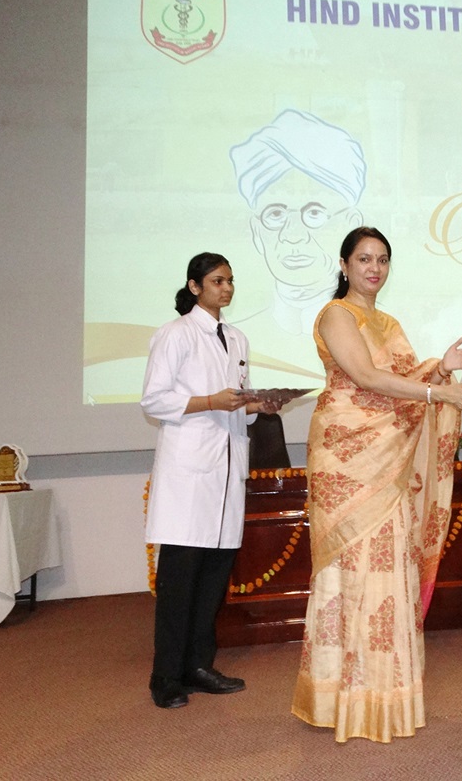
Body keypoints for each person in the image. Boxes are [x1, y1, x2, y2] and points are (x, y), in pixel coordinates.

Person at [291, 226, 462, 743]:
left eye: (382, 259)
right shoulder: (337, 314)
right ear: (344, 265)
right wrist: (439, 392)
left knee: (389, 566)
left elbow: (403, 382)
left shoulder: (390, 323)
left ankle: (381, 694)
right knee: (350, 571)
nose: (374, 268)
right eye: (364, 259)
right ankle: (339, 697)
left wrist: (440, 369)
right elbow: (366, 377)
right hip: (346, 459)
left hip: (389, 461)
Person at [141, 252, 287, 709]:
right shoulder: (175, 334)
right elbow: (154, 401)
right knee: (179, 582)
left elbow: (235, 404)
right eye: (217, 281)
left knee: (212, 581)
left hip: (226, 474)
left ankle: (199, 666)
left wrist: (257, 405)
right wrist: (210, 401)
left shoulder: (237, 337)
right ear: (195, 286)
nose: (226, 288)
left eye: (230, 281)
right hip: (189, 475)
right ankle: (166, 677)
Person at [229, 109, 366, 387]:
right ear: (256, 232)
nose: (292, 236)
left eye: (314, 213)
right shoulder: (238, 338)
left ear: (351, 226)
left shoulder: (378, 329)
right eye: (275, 214)